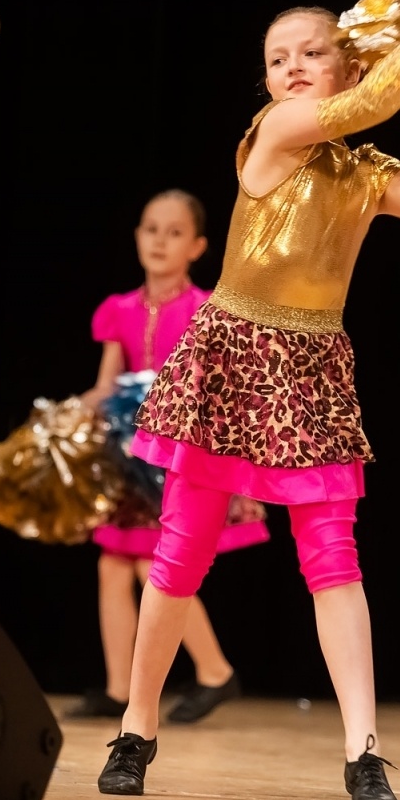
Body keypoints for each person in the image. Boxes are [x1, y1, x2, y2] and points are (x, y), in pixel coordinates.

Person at [96, 6, 400, 800]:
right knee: (180, 552)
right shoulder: (274, 130)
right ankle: (137, 726)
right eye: (280, 57)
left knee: (334, 556)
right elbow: (367, 104)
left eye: (314, 53)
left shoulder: (365, 170)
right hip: (233, 357)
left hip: (311, 368)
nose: (296, 66)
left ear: (346, 62)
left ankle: (364, 753)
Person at [69, 189, 268, 723]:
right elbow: (107, 387)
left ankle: (214, 670)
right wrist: (64, 419)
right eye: (151, 228)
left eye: (174, 232)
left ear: (199, 246)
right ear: (136, 236)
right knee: (114, 564)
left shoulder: (204, 309)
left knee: (154, 565)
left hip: (178, 457)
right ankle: (118, 686)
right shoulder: (119, 309)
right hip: (132, 459)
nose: (160, 240)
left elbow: (216, 387)